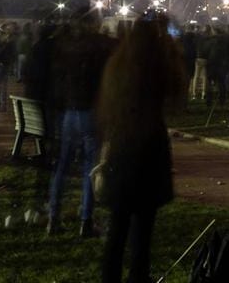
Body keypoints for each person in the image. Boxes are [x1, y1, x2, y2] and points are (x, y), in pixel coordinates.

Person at [97, 16, 180, 283]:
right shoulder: (158, 67)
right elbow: (178, 90)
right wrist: (169, 42)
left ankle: (109, 277)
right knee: (144, 230)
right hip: (150, 149)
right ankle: (138, 276)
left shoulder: (117, 67)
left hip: (121, 148)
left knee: (117, 228)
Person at [48, 8, 113, 237]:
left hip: (69, 110)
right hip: (89, 110)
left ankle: (52, 217)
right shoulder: (99, 45)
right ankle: (86, 220)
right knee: (89, 166)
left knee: (62, 165)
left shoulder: (64, 45)